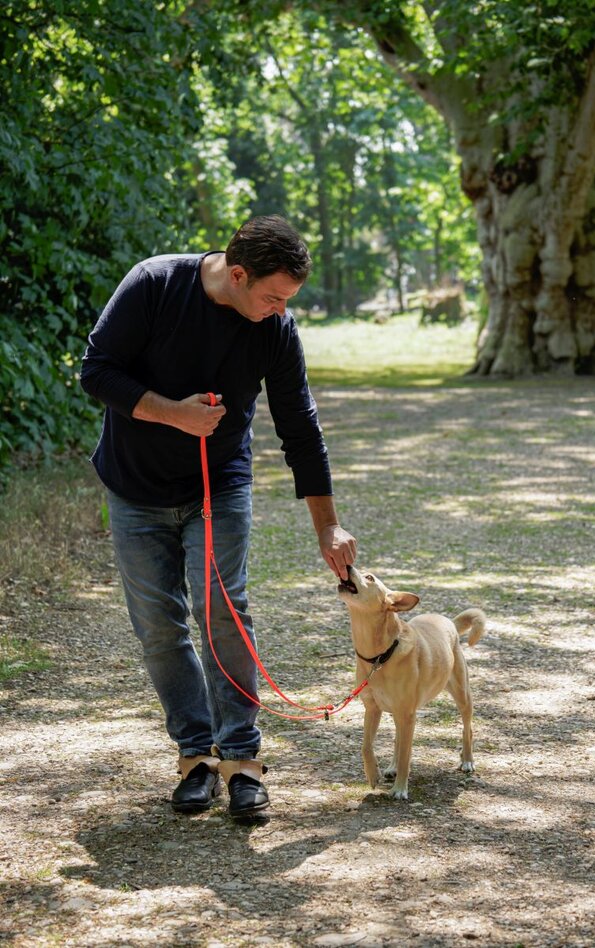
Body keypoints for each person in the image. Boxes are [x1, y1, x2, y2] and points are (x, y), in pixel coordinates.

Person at [80, 215, 357, 818]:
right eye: (273, 297)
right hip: (135, 486)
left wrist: (327, 525)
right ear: (237, 274)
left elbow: (300, 427)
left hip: (219, 486)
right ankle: (195, 755)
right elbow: (95, 372)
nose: (282, 311)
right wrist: (171, 413)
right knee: (158, 625)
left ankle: (242, 758)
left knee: (222, 610)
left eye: (288, 300)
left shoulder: (275, 329)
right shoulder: (154, 284)